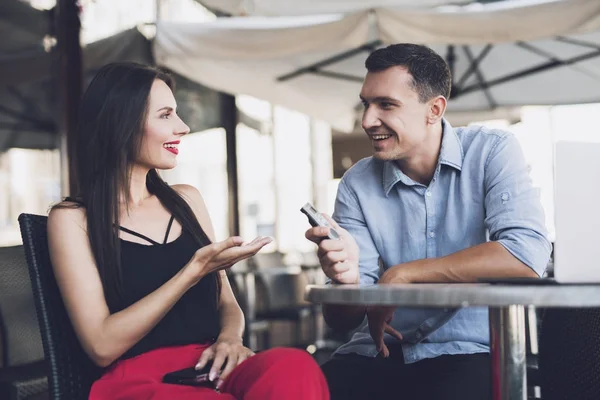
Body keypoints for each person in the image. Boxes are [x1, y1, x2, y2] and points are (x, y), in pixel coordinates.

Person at [48, 62, 329, 400]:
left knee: (293, 367)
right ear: (121, 123)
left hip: (209, 366)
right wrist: (192, 272)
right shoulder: (72, 219)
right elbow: (101, 346)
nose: (182, 127)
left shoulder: (187, 199)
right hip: (136, 382)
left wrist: (230, 339)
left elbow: (227, 303)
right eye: (165, 115)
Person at [305, 43, 551, 400]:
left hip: (470, 352)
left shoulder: (492, 151)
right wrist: (346, 280)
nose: (367, 120)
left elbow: (526, 254)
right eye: (366, 104)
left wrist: (404, 273)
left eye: (386, 105)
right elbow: (342, 321)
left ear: (434, 109)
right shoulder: (357, 182)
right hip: (380, 352)